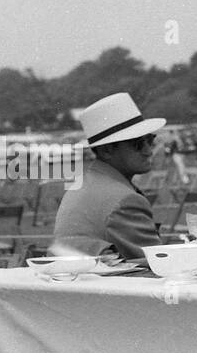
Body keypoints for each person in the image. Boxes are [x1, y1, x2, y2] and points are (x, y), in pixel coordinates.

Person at [52, 92, 165, 259]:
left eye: (150, 140)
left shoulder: (86, 185)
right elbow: (159, 262)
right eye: (139, 144)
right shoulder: (125, 200)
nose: (149, 150)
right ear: (106, 151)